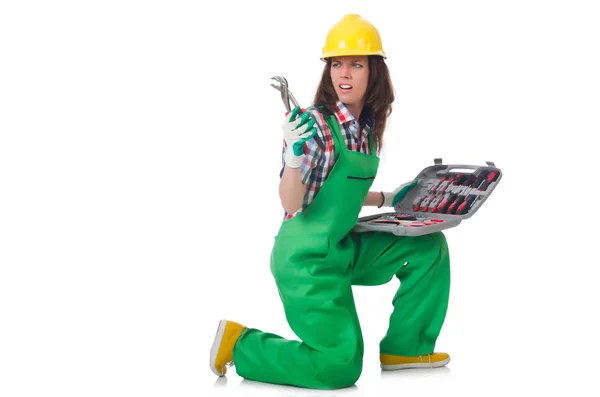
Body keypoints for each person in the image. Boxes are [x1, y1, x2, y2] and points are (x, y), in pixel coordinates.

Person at [209, 14, 451, 390]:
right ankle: (241, 344)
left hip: (341, 246)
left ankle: (405, 348)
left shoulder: (366, 130)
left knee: (428, 246)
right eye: (337, 64)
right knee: (340, 366)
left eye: (356, 64)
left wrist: (390, 197)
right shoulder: (314, 125)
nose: (345, 74)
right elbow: (293, 202)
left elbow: (341, 193)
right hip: (306, 260)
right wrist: (292, 157)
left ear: (374, 72)